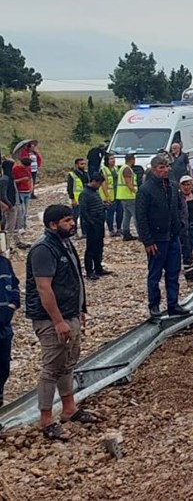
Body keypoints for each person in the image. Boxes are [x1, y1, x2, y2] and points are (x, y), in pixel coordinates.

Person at [26, 204, 104, 440]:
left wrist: (79, 310)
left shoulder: (64, 243)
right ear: (52, 224)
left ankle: (69, 409)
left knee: (68, 363)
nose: (72, 224)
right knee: (52, 367)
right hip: (51, 319)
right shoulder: (43, 249)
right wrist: (59, 321)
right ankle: (46, 419)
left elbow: (74, 279)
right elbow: (44, 288)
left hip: (69, 314)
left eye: (72, 220)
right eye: (67, 221)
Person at [135, 155, 186, 319]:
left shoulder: (171, 186)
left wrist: (180, 225)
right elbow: (140, 217)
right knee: (155, 273)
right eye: (161, 168)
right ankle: (154, 305)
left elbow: (178, 207)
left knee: (174, 272)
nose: (165, 170)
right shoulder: (145, 190)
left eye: (166, 167)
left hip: (172, 236)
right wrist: (147, 240)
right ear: (153, 168)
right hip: (156, 239)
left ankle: (173, 304)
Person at [78, 172, 109, 281]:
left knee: (99, 247)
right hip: (92, 225)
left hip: (99, 223)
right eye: (99, 183)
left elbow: (95, 206)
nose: (100, 186)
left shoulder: (95, 192)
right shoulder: (85, 194)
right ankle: (89, 271)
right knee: (91, 248)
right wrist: (91, 222)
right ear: (94, 181)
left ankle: (98, 268)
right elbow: (83, 211)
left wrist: (103, 206)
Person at [1, 234, 19, 405]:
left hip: (4, 326)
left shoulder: (4, 263)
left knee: (3, 367)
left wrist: (13, 304)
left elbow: (14, 284)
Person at [117, 154, 140, 240]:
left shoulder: (123, 168)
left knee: (127, 215)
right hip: (129, 196)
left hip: (123, 195)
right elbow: (128, 183)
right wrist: (136, 192)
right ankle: (141, 234)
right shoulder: (127, 169)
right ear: (132, 160)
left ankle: (126, 233)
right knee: (136, 215)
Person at [100, 154, 121, 236]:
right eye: (111, 159)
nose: (113, 160)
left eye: (114, 158)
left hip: (118, 194)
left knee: (120, 212)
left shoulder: (116, 168)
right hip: (110, 195)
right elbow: (103, 184)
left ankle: (119, 228)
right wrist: (107, 196)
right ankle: (111, 230)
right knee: (110, 214)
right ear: (107, 160)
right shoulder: (104, 170)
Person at [66, 158, 88, 228]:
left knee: (84, 216)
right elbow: (70, 188)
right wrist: (72, 199)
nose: (83, 165)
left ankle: (84, 232)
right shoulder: (72, 175)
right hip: (76, 199)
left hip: (84, 199)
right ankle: (74, 231)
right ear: (76, 165)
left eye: (84, 164)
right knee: (75, 216)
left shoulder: (86, 174)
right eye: (81, 164)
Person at [13, 158, 34, 231]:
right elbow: (13, 181)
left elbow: (30, 178)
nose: (25, 167)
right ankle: (20, 226)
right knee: (22, 210)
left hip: (27, 191)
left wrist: (31, 187)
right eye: (24, 166)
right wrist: (22, 179)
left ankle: (24, 225)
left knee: (26, 211)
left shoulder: (27, 169)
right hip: (20, 192)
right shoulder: (15, 169)